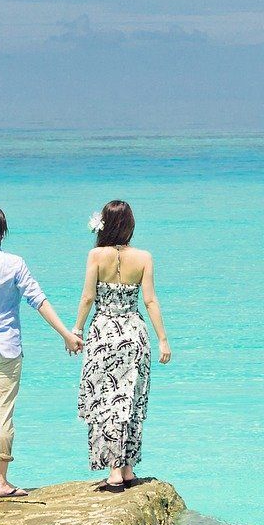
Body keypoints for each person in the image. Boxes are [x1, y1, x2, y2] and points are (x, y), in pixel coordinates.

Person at [0, 203, 80, 500]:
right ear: (2, 232)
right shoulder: (14, 264)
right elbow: (38, 300)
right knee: (3, 412)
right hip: (7, 349)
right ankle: (0, 481)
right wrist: (66, 334)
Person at [73, 200, 170, 493]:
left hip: (103, 333)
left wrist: (77, 329)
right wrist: (163, 338)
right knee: (131, 399)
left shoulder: (95, 255)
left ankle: (114, 471)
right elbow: (150, 300)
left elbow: (88, 297)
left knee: (106, 399)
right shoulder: (144, 257)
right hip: (134, 332)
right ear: (129, 225)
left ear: (104, 224)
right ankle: (127, 468)